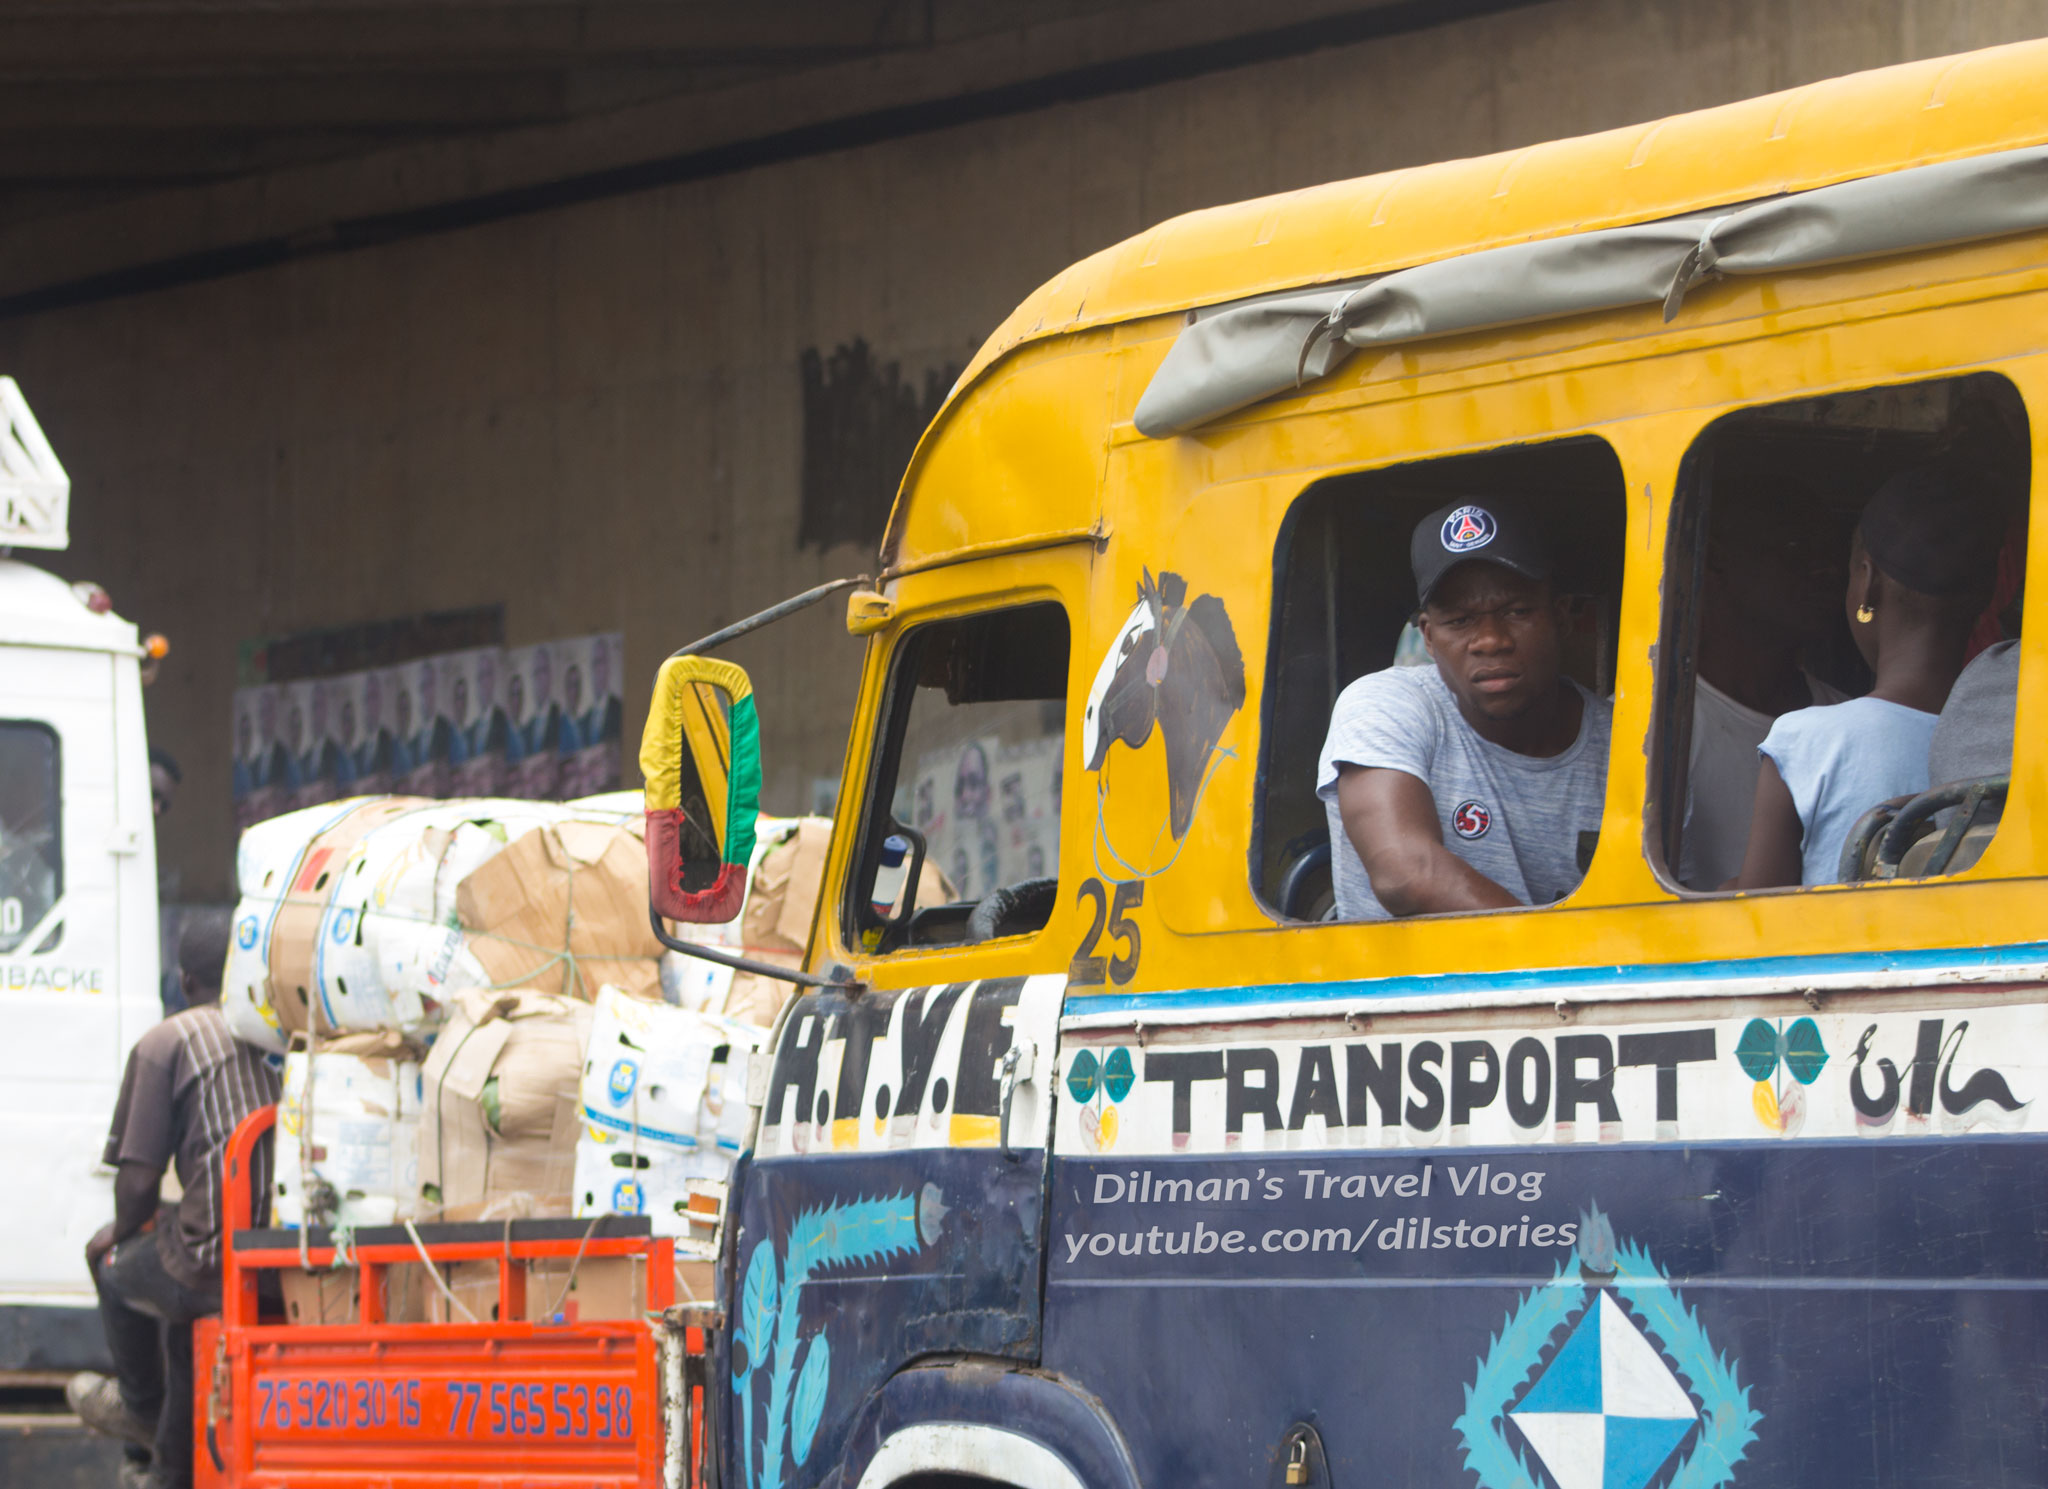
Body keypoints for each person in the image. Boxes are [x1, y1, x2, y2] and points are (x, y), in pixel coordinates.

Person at [1318, 500, 1612, 919]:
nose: (1490, 640)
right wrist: (1561, 963)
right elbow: (1406, 873)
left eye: (1516, 611)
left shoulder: (1627, 744)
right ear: (1429, 637)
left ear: (1560, 616)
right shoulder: (1387, 704)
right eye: (1459, 620)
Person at [67, 910, 278, 1489]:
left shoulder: (167, 1040)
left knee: (114, 1263)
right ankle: (170, 1469)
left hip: (217, 1259)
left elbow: (136, 1186)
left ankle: (138, 1407)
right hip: (282, 1260)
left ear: (185, 982)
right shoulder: (278, 1031)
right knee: (185, 1314)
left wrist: (119, 1229)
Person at [1736, 465, 2004, 888]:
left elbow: (1751, 923)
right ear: (1985, 596)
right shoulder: (2014, 737)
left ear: (1866, 581)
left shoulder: (1806, 741)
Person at [1678, 490, 1847, 890]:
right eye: (1796, 548)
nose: (1827, 570)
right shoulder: (1652, 729)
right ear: (1715, 560)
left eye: (1833, 552)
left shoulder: (1845, 719)